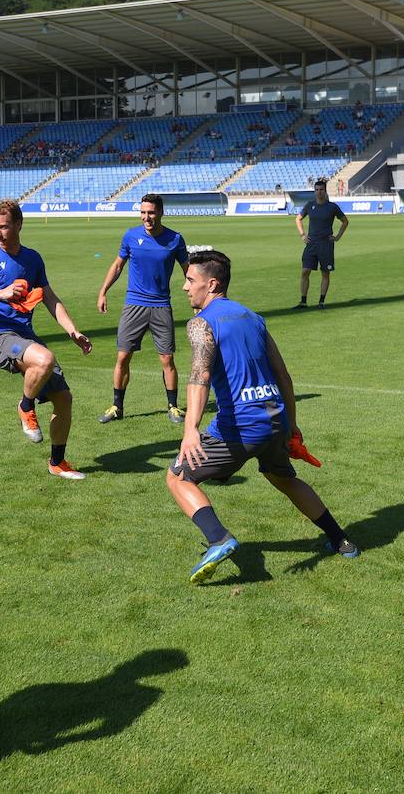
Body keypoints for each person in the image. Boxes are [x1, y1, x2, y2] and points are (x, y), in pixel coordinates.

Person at [166, 250, 359, 584]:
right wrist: (292, 425)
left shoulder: (201, 323)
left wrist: (190, 429)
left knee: (178, 476)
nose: (184, 287)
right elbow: (284, 376)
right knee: (283, 477)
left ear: (211, 285)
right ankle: (341, 539)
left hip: (242, 426)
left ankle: (218, 538)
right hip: (275, 420)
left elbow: (199, 377)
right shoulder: (253, 317)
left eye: (190, 280)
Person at [0, 199, 92, 479]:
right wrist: (0, 293)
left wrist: (73, 331)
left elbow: (50, 298)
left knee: (64, 399)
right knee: (44, 359)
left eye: (4, 227)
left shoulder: (32, 259)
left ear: (19, 224)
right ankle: (25, 406)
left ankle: (57, 462)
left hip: (25, 337)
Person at [96, 194, 190, 425]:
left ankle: (173, 407)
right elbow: (118, 265)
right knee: (123, 356)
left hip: (161, 306)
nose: (146, 217)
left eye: (151, 212)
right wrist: (103, 291)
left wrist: (196, 299)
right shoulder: (131, 236)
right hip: (134, 304)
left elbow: (188, 270)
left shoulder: (175, 239)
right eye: (143, 212)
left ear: (160, 212)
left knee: (167, 359)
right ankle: (117, 406)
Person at [295, 180, 347, 308]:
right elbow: (298, 219)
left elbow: (345, 221)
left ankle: (321, 302)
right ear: (314, 191)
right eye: (317, 190)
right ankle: (303, 301)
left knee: (325, 273)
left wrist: (338, 237)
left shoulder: (332, 207)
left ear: (325, 191)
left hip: (326, 244)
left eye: (321, 190)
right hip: (311, 244)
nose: (319, 192)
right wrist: (302, 235)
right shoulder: (310, 205)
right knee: (305, 271)